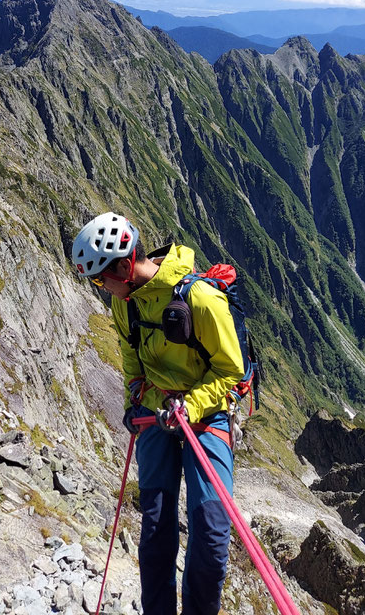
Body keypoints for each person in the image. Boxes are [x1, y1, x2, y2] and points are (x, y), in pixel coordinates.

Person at [72, 212, 244, 615]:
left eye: (100, 279)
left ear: (124, 266)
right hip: (157, 412)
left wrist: (191, 405)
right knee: (155, 531)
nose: (101, 289)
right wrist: (137, 392)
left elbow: (231, 371)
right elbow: (133, 358)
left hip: (207, 412)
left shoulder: (199, 299)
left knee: (212, 532)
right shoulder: (125, 304)